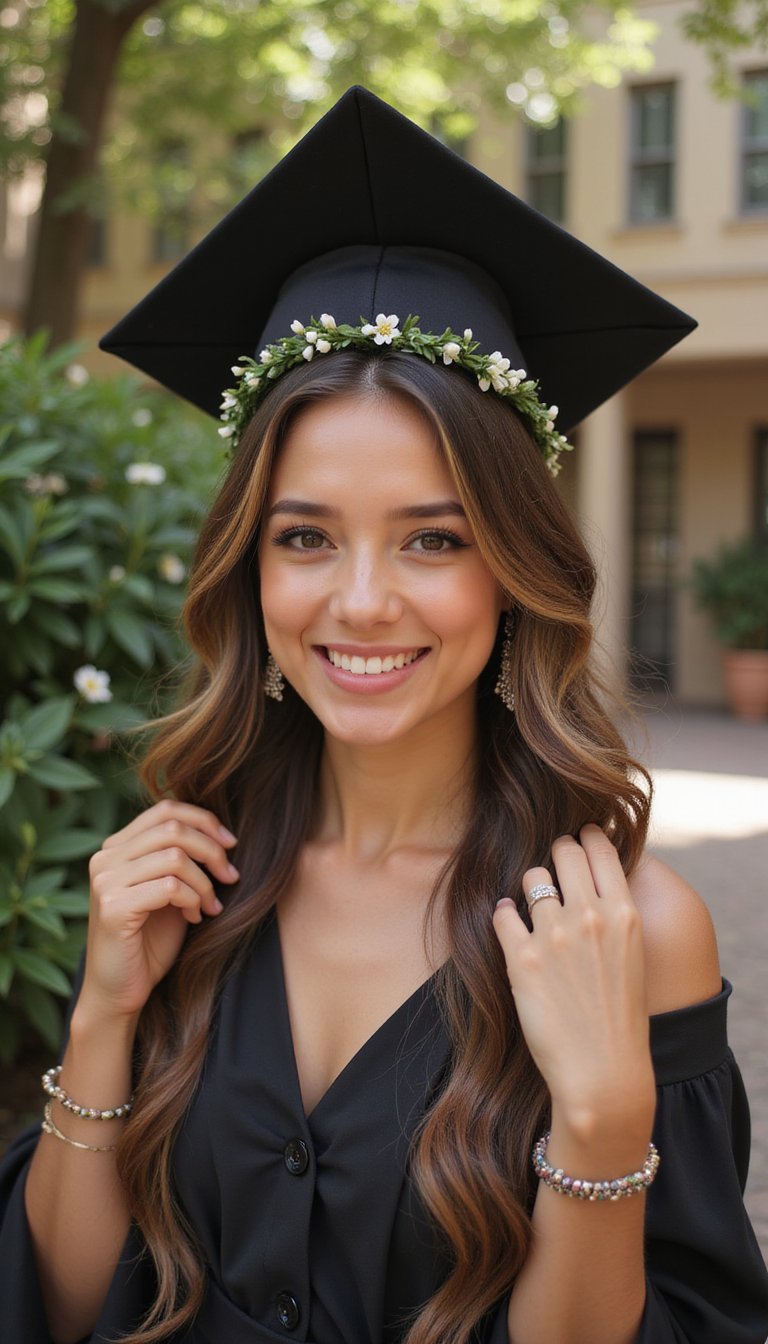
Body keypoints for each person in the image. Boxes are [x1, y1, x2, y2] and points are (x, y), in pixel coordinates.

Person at [2, 87, 767, 1344]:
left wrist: (601, 1122)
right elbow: (69, 1303)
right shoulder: (188, 886)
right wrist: (102, 1014)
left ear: (516, 567)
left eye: (434, 538)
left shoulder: (629, 930)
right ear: (250, 565)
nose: (361, 602)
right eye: (305, 536)